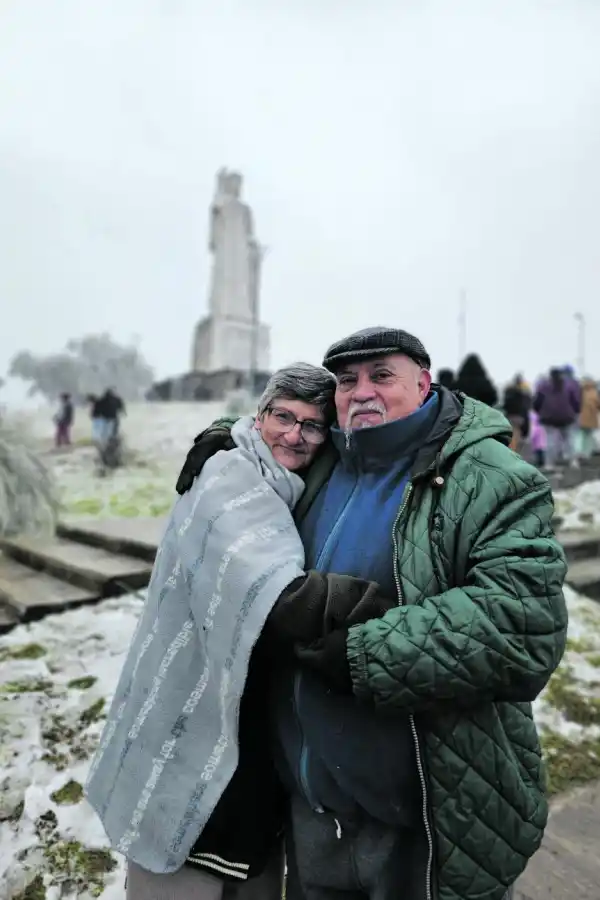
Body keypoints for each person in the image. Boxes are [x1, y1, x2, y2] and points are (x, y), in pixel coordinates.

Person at [177, 327, 568, 900]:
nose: (362, 392)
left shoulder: (491, 477)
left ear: (424, 383)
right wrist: (228, 439)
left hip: (428, 820)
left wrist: (363, 655)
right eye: (347, 381)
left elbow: (523, 624)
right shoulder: (325, 459)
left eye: (382, 376)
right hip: (312, 815)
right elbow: (280, 426)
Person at [86, 363, 397, 900]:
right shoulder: (228, 475)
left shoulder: (290, 482)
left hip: (252, 718)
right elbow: (275, 596)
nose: (294, 435)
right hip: (191, 703)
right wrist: (377, 604)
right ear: (260, 416)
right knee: (181, 856)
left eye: (312, 425)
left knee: (242, 859)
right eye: (283, 417)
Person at [533, 367, 580, 467]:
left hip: (548, 417)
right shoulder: (568, 386)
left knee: (550, 441)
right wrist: (575, 411)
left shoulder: (543, 386)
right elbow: (575, 401)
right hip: (566, 416)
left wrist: (540, 412)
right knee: (569, 440)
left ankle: (549, 463)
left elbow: (537, 402)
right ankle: (573, 461)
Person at [502, 374, 531, 453]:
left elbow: (505, 405)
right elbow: (525, 408)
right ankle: (514, 452)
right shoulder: (522, 393)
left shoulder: (509, 392)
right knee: (517, 436)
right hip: (519, 418)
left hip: (509, 417)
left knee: (512, 436)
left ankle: (512, 451)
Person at [577, 377, 599, 459]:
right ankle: (587, 453)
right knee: (588, 435)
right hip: (591, 418)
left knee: (581, 436)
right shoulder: (594, 392)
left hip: (580, 417)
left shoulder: (580, 391)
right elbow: (597, 404)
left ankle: (580, 452)